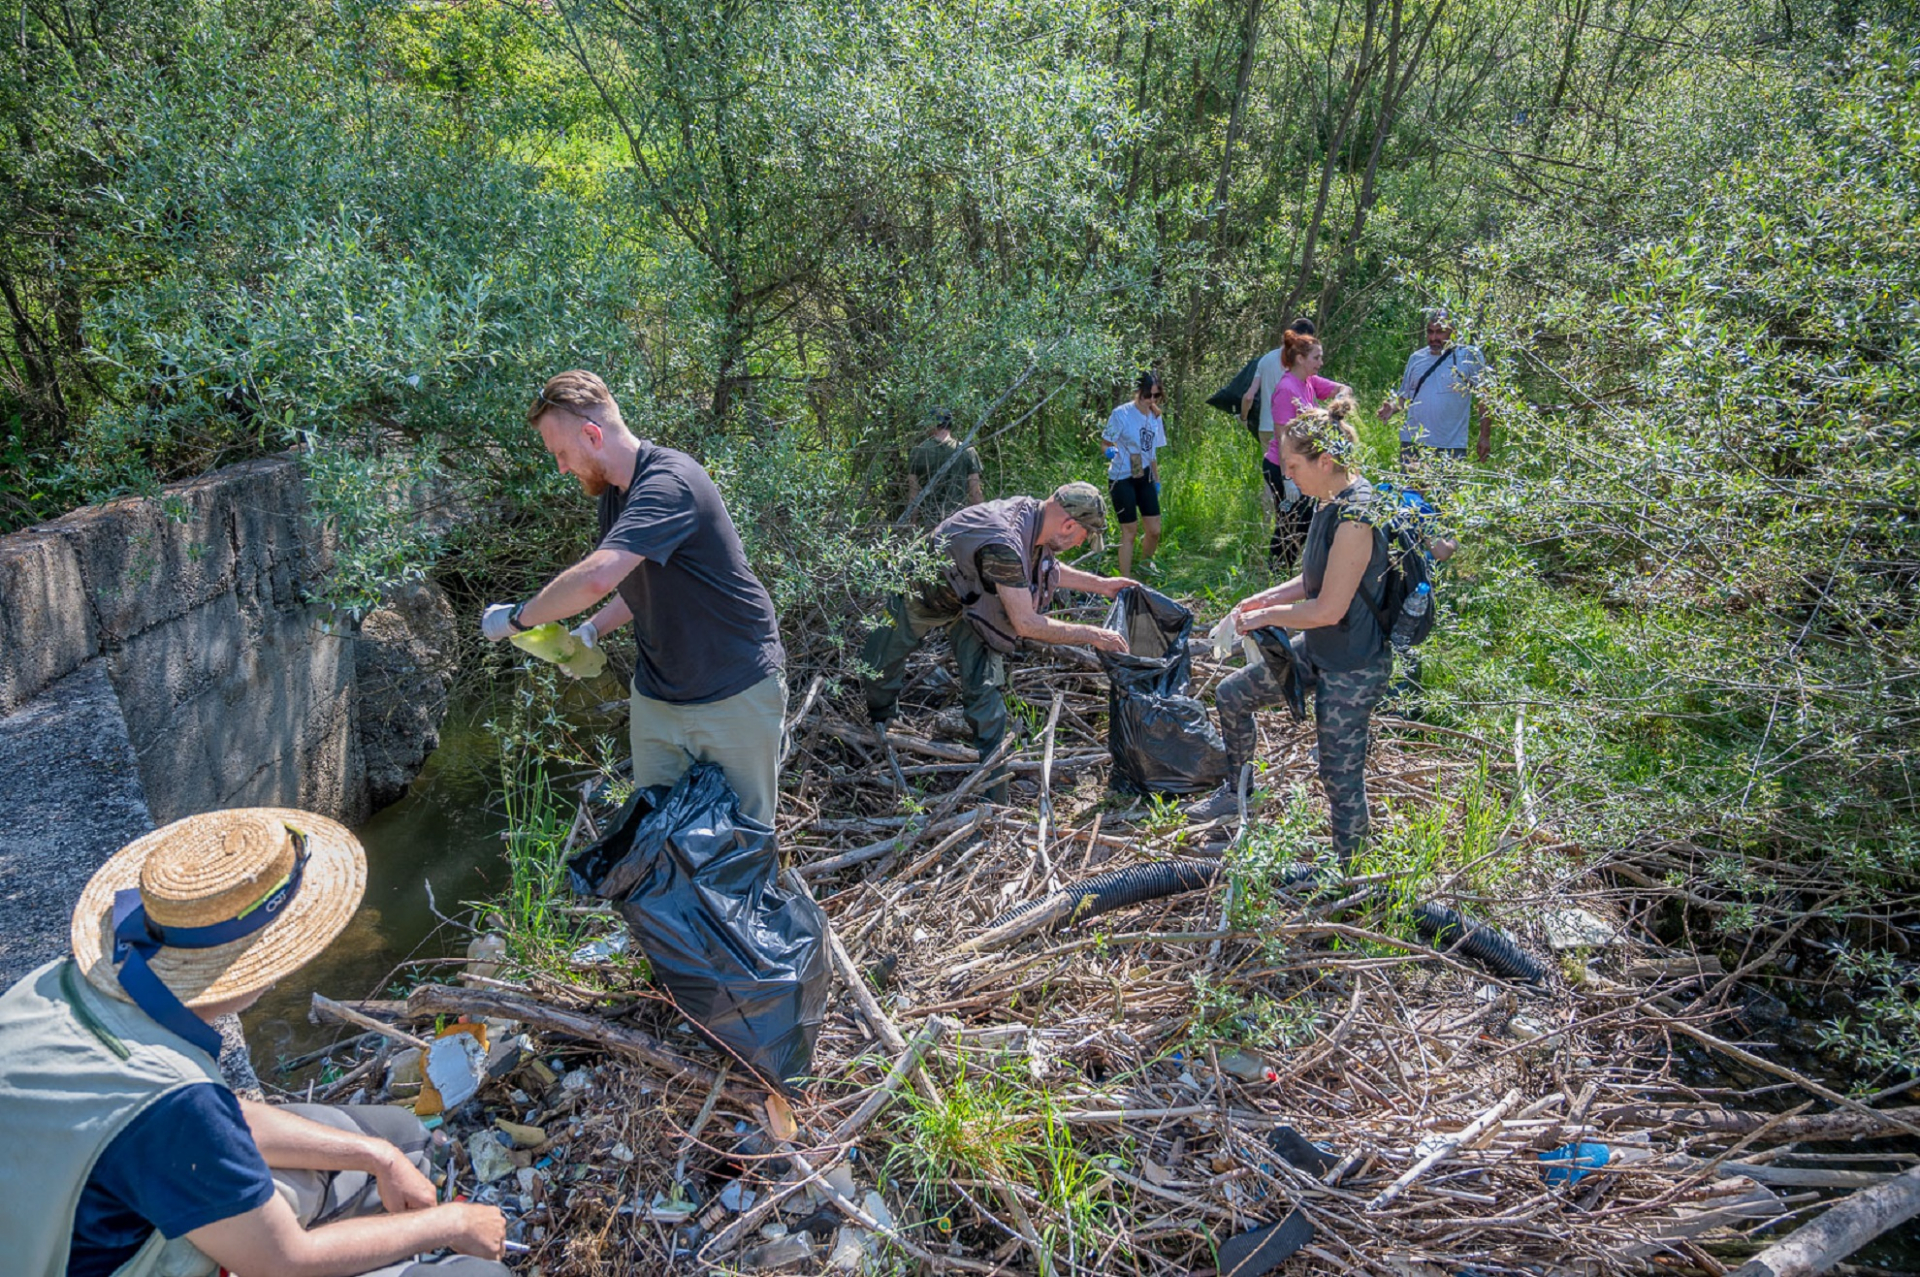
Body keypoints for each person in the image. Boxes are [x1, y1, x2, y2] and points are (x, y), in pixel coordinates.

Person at [0, 808, 509, 1277]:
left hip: (69, 1227)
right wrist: (451, 1226)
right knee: (480, 1273)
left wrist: (379, 1157)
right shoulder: (173, 1103)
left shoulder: (67, 985)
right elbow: (285, 1259)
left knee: (402, 1139)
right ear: (248, 967)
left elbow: (218, 1119)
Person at [481, 370, 788, 824]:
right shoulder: (614, 494)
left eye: (561, 453)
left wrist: (516, 620)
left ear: (591, 433)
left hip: (734, 689)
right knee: (659, 833)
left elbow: (597, 579)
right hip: (658, 698)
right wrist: (590, 630)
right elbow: (638, 582)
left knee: (742, 842)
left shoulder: (670, 481)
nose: (562, 468)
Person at [1187, 396, 1392, 865]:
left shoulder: (1358, 516)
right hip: (1321, 648)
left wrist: (1267, 619)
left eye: (1294, 464)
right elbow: (1313, 581)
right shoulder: (1327, 500)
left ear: (1325, 461)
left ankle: (1352, 873)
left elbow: (1327, 607)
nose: (1287, 473)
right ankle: (1238, 794)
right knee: (1232, 695)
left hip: (1354, 663)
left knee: (1339, 773)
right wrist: (1264, 599)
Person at [862, 482, 1137, 801]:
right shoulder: (1004, 540)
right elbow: (1026, 623)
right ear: (1068, 525)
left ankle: (995, 801)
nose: (1080, 544)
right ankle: (879, 730)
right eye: (1083, 537)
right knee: (879, 667)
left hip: (975, 601)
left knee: (986, 696)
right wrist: (1094, 635)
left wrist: (1102, 586)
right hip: (922, 592)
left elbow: (1044, 568)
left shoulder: (1037, 520)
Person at [1257, 329, 1350, 566]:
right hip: (1282, 465)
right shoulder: (1286, 388)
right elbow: (1281, 437)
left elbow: (1342, 389)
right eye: (1316, 358)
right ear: (1300, 358)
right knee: (1290, 521)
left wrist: (1341, 401)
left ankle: (1286, 569)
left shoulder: (1309, 381)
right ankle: (1276, 570)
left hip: (1302, 465)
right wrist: (1287, 478)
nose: (1321, 362)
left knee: (1306, 520)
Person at [1379, 313, 1491, 462]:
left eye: (1440, 332)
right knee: (1411, 486)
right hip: (1413, 443)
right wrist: (1392, 408)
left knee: (1447, 486)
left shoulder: (1469, 356)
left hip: (1451, 446)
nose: (1433, 338)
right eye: (1430, 332)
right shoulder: (1416, 358)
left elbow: (1486, 398)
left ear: (1454, 332)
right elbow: (1404, 398)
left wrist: (1484, 436)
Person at [1101, 370, 1168, 578]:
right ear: (1138, 391)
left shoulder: (1155, 417)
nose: (1151, 400)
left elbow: (1152, 452)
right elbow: (1105, 443)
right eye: (1148, 395)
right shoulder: (1121, 414)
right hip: (1122, 478)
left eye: (1156, 396)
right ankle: (1125, 580)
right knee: (1129, 531)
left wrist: (1156, 479)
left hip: (1144, 475)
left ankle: (1145, 567)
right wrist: (1110, 451)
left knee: (1154, 530)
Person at [904, 407, 984, 523]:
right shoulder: (967, 451)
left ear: (932, 425)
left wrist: (913, 523)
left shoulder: (918, 452)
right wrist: (981, 522)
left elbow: (913, 494)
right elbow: (975, 493)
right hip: (957, 522)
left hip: (927, 523)